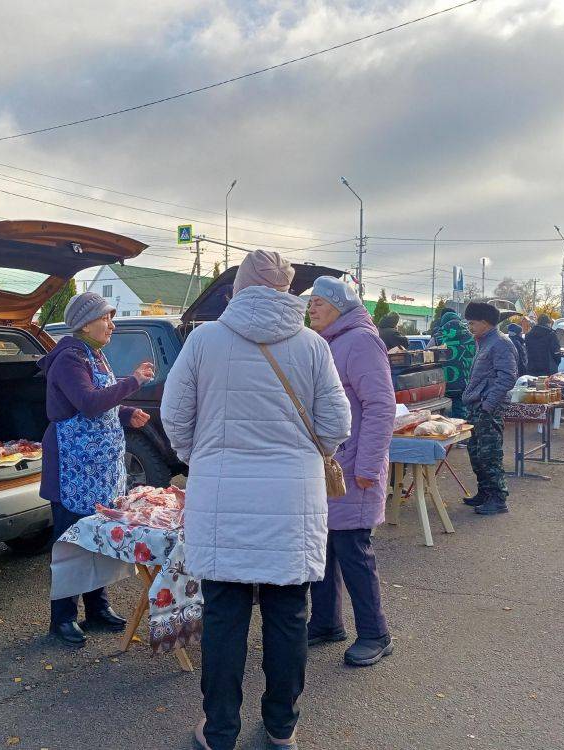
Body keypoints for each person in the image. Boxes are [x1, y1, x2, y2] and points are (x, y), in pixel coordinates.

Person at [161, 249, 350, 750]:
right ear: (287, 291)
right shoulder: (312, 346)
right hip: (293, 504)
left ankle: (220, 732)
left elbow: (175, 415)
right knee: (289, 617)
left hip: (221, 499)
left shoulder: (205, 341)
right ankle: (281, 728)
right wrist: (305, 457)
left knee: (224, 618)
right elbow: (337, 423)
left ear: (238, 290)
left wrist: (201, 456)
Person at [38, 292, 155, 645]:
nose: (112, 325)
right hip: (72, 469)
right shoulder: (69, 360)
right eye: (107, 318)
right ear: (86, 322)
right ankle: (61, 619)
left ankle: (97, 608)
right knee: (71, 541)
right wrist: (133, 381)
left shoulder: (95, 356)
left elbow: (95, 402)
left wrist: (124, 412)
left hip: (98, 471)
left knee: (98, 537)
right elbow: (88, 403)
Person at [305, 277, 395, 668]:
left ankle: (376, 634)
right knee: (324, 546)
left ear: (341, 305)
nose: (311, 308)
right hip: (330, 467)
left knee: (354, 550)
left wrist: (368, 467)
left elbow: (380, 405)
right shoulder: (331, 341)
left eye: (319, 302)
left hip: (353, 467)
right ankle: (326, 622)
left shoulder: (359, 340)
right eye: (310, 302)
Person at [461, 301, 518, 515]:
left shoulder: (500, 343)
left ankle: (497, 497)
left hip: (488, 408)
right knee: (476, 452)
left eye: (472, 323)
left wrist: (488, 404)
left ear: (485, 323)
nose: (470, 327)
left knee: (489, 454)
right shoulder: (484, 341)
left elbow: (508, 377)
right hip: (478, 406)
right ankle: (484, 492)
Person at [429, 310, 477, 419]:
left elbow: (427, 354)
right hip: (467, 381)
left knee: (445, 416)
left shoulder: (438, 337)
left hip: (444, 383)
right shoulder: (472, 337)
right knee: (464, 412)